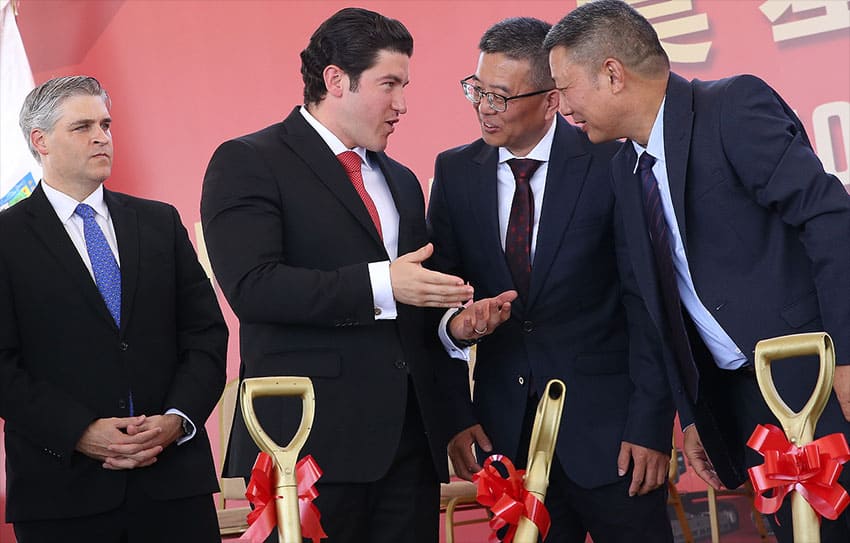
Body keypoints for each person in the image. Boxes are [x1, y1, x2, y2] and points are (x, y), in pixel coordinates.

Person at [545, 1, 850, 540]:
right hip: (748, 401)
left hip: (820, 380)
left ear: (612, 74)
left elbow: (829, 219)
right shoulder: (625, 168)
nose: (561, 106)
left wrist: (848, 356)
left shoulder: (730, 107)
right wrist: (692, 414)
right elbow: (658, 301)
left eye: (565, 89)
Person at [201, 7, 472, 543]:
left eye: (405, 86)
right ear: (335, 80)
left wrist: (456, 326)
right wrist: (382, 283)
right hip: (306, 447)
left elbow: (413, 305)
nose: (402, 105)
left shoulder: (402, 179)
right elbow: (253, 287)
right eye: (389, 84)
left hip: (410, 448)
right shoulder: (248, 160)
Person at [427, 17, 674, 542]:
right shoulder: (455, 173)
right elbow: (437, 305)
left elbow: (646, 301)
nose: (483, 107)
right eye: (476, 90)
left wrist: (650, 424)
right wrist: (455, 409)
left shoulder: (612, 160)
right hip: (506, 439)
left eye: (499, 96)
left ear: (551, 100)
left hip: (614, 439)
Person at [0, 75, 227, 542]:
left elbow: (205, 334)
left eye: (105, 124)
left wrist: (177, 419)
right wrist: (79, 432)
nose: (102, 137)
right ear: (40, 141)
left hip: (174, 487)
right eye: (82, 127)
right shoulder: (6, 238)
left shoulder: (160, 222)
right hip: (63, 496)